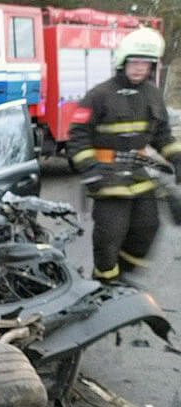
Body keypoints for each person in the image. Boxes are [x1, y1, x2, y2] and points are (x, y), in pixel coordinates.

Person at [67, 27, 181, 282]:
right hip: (107, 179)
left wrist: (177, 158)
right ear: (123, 61)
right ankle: (104, 284)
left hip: (139, 175)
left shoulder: (152, 94)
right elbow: (78, 136)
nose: (140, 67)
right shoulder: (99, 95)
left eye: (146, 62)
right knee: (109, 237)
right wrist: (89, 170)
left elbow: (161, 135)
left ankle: (122, 277)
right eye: (135, 61)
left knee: (147, 228)